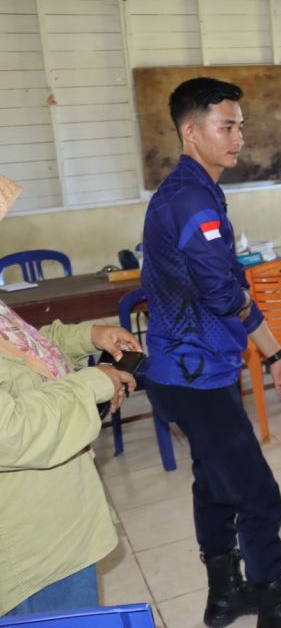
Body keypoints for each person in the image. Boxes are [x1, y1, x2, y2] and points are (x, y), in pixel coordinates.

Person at [141, 78, 281, 628]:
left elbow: (223, 286)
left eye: (240, 125)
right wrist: (269, 345)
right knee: (260, 496)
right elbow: (223, 292)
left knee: (214, 484)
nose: (239, 136)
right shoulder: (191, 198)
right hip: (191, 376)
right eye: (227, 126)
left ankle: (224, 596)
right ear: (191, 132)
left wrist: (270, 353)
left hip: (195, 369)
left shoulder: (197, 189)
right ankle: (275, 606)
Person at [0, 174, 141, 616]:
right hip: (30, 552)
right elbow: (11, 431)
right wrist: (95, 382)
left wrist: (87, 336)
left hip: (52, 527)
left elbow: (20, 353)